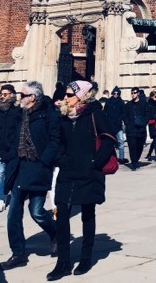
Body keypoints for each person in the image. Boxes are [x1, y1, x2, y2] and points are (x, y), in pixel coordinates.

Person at [47, 80, 116, 280]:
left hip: (89, 171)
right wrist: (60, 158)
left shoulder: (94, 112)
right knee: (61, 212)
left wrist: (95, 161)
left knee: (87, 212)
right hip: (67, 171)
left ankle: (86, 257)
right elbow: (58, 141)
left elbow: (109, 138)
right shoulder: (63, 116)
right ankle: (63, 262)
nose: (65, 98)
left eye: (69, 95)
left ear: (82, 95)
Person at [0, 81, 59, 270]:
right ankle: (18, 253)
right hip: (19, 167)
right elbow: (11, 136)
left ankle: (56, 233)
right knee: (13, 214)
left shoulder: (48, 114)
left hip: (38, 169)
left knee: (37, 212)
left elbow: (55, 140)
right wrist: (9, 155)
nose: (20, 98)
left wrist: (44, 161)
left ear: (33, 97)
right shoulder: (19, 114)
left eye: (23, 95)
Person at [0, 84, 21, 213]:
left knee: (11, 173)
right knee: (0, 173)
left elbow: (19, 129)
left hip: (12, 148)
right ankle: (1, 200)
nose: (2, 97)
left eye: (5, 94)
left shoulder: (17, 110)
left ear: (12, 95)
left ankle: (13, 198)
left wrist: (14, 144)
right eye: (1, 94)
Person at [123, 86, 149, 169]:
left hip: (141, 130)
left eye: (134, 93)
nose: (133, 94)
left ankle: (136, 160)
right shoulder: (128, 105)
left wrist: (144, 122)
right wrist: (127, 123)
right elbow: (124, 115)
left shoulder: (144, 104)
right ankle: (134, 163)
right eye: (132, 93)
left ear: (138, 93)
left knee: (139, 147)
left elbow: (148, 114)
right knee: (132, 147)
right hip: (131, 130)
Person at [104, 87, 126, 163]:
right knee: (110, 143)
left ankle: (121, 158)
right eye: (114, 93)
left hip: (118, 125)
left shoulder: (121, 102)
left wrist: (120, 119)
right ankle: (112, 159)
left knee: (121, 142)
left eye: (117, 93)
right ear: (112, 93)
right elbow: (105, 112)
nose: (116, 95)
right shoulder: (108, 102)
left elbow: (124, 113)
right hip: (110, 125)